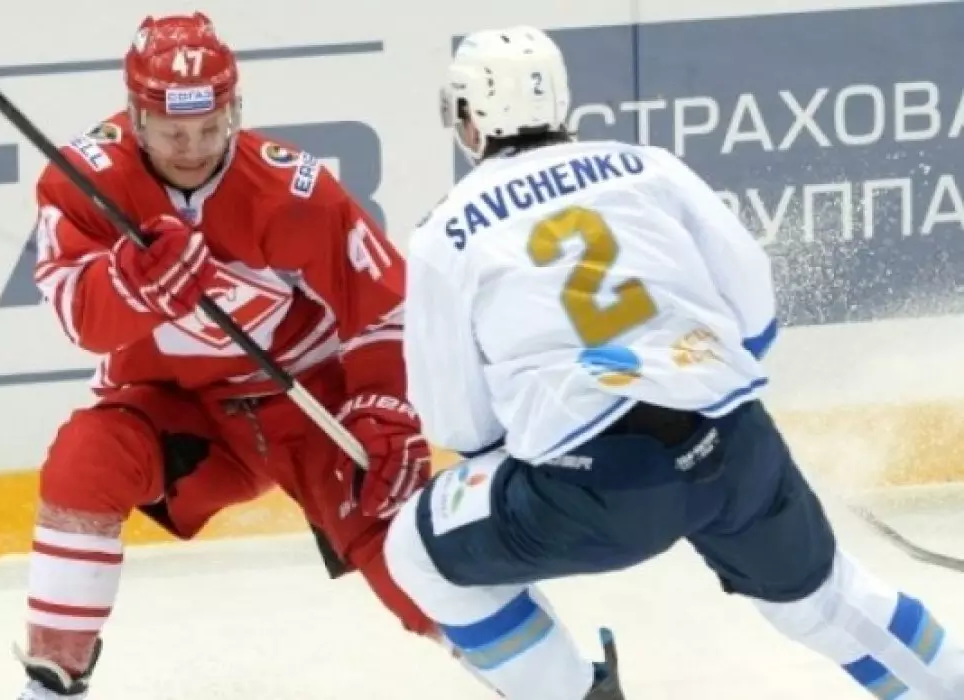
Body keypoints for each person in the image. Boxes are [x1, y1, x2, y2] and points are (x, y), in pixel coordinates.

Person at [383, 25, 964, 700]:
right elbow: (753, 311)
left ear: (470, 115)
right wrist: (696, 397)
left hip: (596, 491)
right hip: (732, 442)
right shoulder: (646, 166)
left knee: (414, 552)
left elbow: (460, 425)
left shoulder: (445, 233)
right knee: (824, 601)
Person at [18, 12, 433, 699]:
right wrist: (130, 285)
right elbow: (79, 318)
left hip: (307, 405)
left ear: (234, 110)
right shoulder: (82, 181)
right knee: (82, 463)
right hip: (181, 414)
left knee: (409, 560)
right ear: (136, 116)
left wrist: (383, 400)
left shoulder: (294, 192)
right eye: (172, 132)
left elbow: (382, 304)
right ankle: (49, 685)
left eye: (210, 128)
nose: (193, 148)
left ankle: (556, 680)